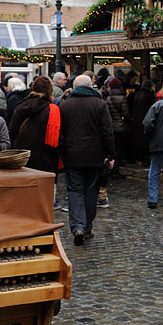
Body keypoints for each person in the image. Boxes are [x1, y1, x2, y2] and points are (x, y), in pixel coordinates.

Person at [59, 74, 115, 245]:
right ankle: (87, 227)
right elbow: (107, 131)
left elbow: (61, 132)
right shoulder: (99, 104)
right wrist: (110, 153)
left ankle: (77, 227)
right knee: (91, 191)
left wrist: (63, 151)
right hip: (95, 155)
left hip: (73, 155)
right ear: (90, 85)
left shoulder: (65, 105)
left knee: (75, 191)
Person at [8, 75, 60, 175]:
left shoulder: (21, 106)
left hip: (23, 155)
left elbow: (12, 131)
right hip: (46, 156)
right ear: (50, 90)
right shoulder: (52, 109)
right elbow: (57, 136)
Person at [104, 77, 130, 165]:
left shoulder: (107, 98)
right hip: (121, 127)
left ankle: (112, 167)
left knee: (113, 148)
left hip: (111, 126)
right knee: (120, 148)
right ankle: (117, 167)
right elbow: (125, 114)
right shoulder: (122, 98)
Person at [129, 80, 156, 164]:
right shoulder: (149, 96)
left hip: (136, 120)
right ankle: (143, 159)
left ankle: (137, 159)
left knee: (137, 140)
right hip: (145, 120)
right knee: (144, 141)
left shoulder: (137, 94)